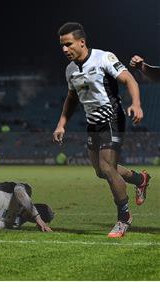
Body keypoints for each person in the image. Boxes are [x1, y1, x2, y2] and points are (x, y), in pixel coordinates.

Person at [52, 22, 151, 238]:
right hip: (93, 123)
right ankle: (139, 179)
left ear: (81, 42)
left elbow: (129, 79)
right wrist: (61, 124)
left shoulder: (104, 57)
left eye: (68, 44)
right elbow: (71, 98)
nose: (64, 49)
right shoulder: (70, 70)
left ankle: (124, 218)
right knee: (101, 171)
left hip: (112, 119)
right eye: (61, 45)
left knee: (107, 168)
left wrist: (136, 103)